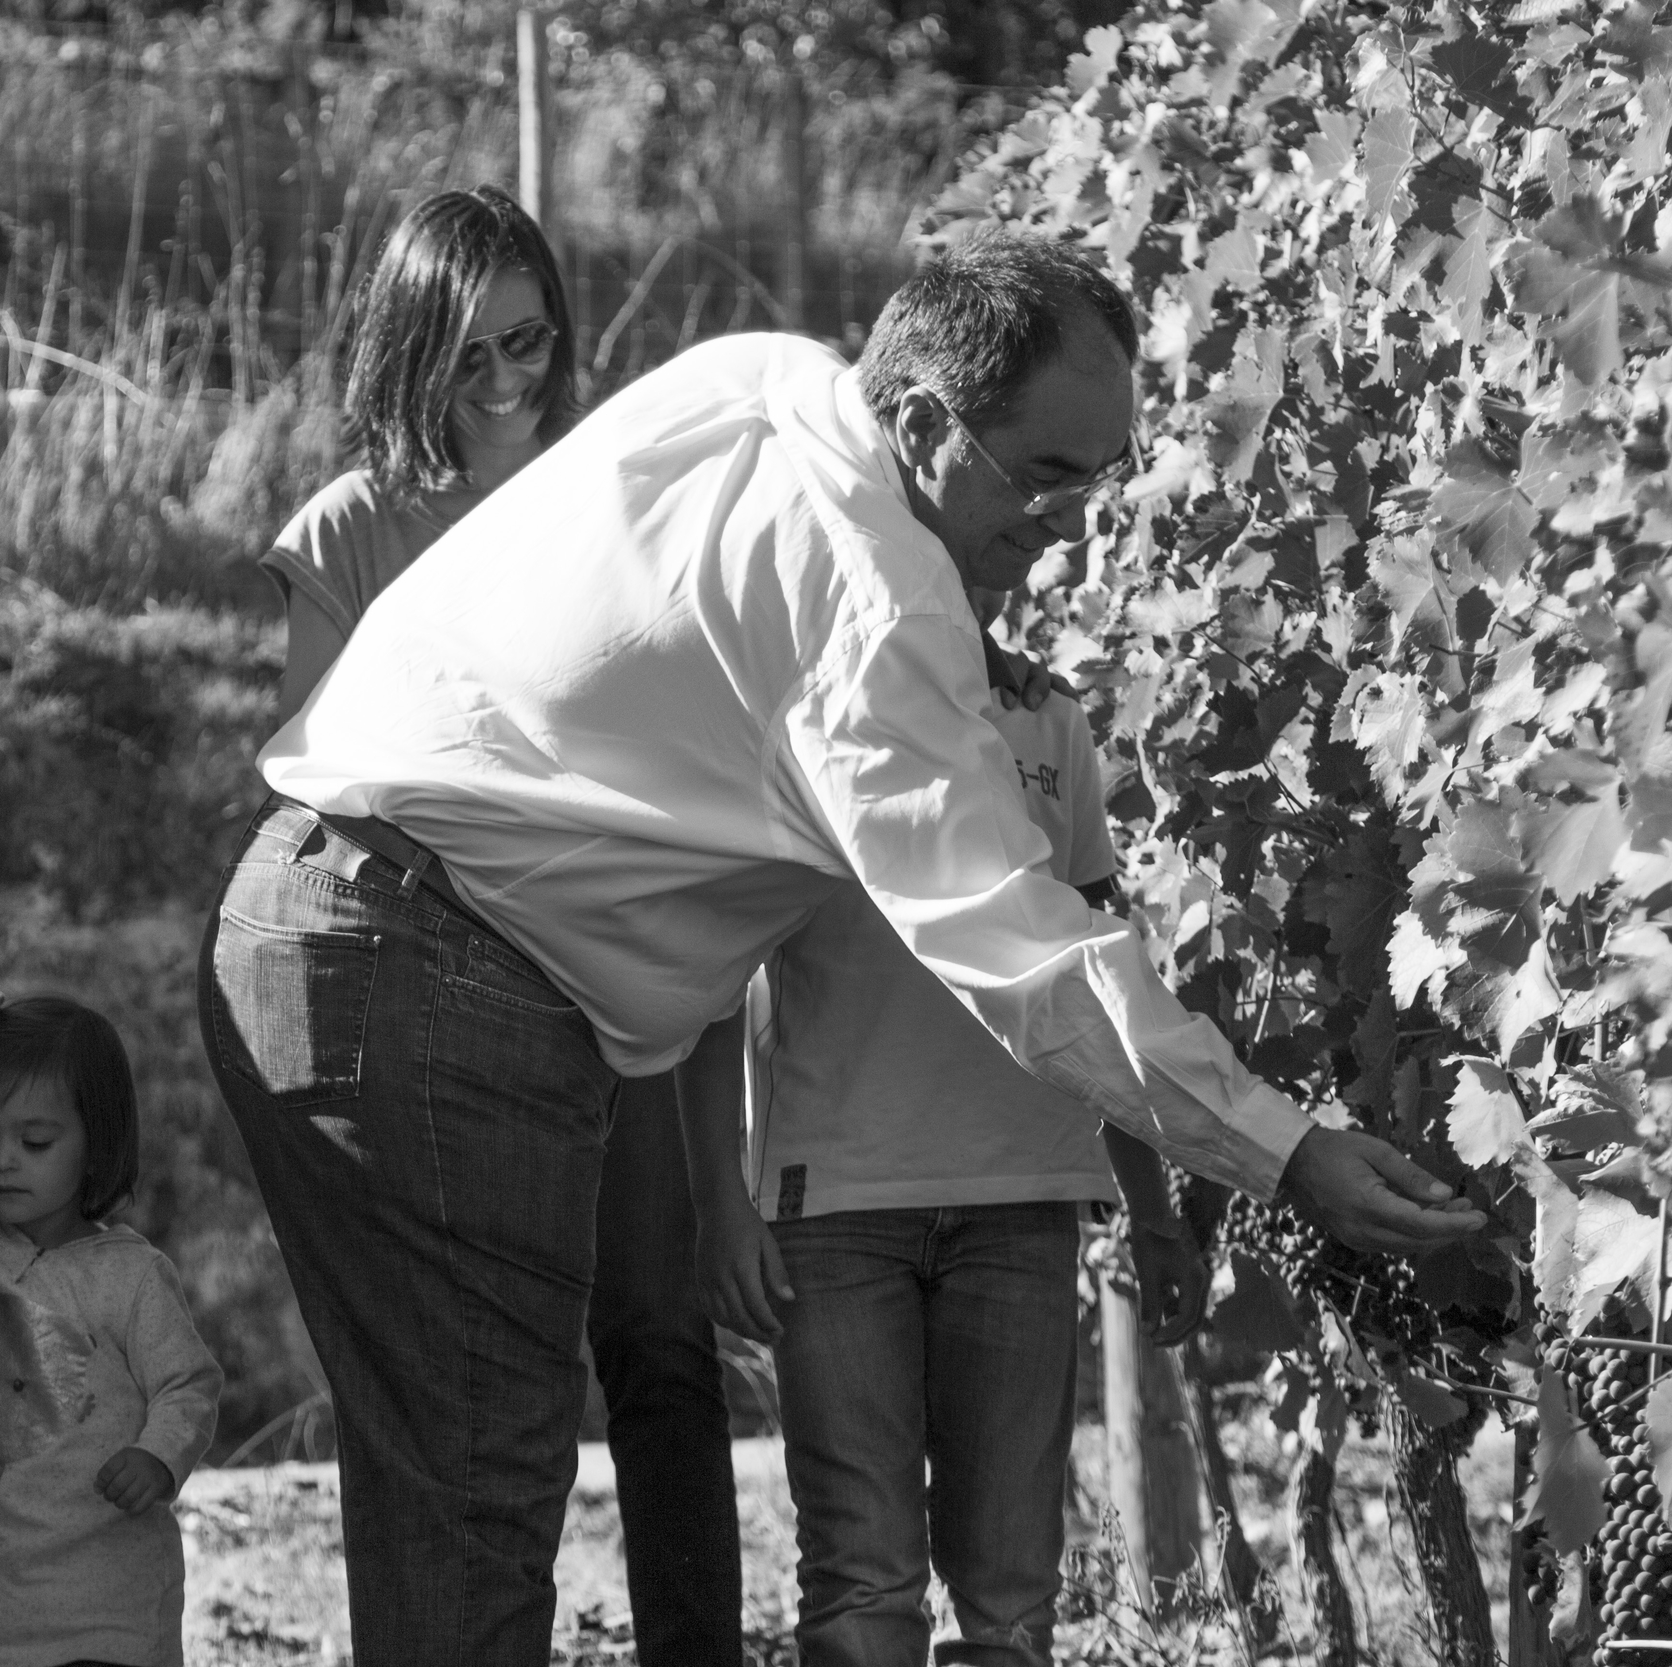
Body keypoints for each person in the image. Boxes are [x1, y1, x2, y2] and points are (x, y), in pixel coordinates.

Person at [197, 227, 1483, 1666]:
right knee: (479, 1503)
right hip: (422, 970)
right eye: (1047, 477)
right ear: (924, 420)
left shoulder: (771, 378)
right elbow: (1024, 953)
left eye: (1097, 478)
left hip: (339, 922)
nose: (1070, 525)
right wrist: (1288, 1151)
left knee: (447, 1494)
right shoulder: (878, 600)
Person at [259, 184, 743, 1665]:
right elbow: (313, 766)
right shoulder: (350, 525)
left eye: (529, 341)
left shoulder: (611, 494)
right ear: (404, 353)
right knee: (442, 1376)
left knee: (660, 1342)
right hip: (444, 996)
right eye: (468, 356)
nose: (509, 381)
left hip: (622, 978)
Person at [683, 582, 1208, 1667]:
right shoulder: (784, 711)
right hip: (828, 1207)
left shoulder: (1044, 721)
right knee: (862, 1579)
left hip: (1021, 1202)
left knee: (1010, 1600)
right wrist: (718, 1202)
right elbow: (711, 974)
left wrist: (1151, 1211)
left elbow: (1097, 979)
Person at [0, 996, 222, 1667]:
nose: (3, 1160)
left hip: (102, 1605)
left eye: (34, 1142)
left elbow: (188, 1382)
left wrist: (159, 1455)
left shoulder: (131, 1276)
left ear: (97, 1143)